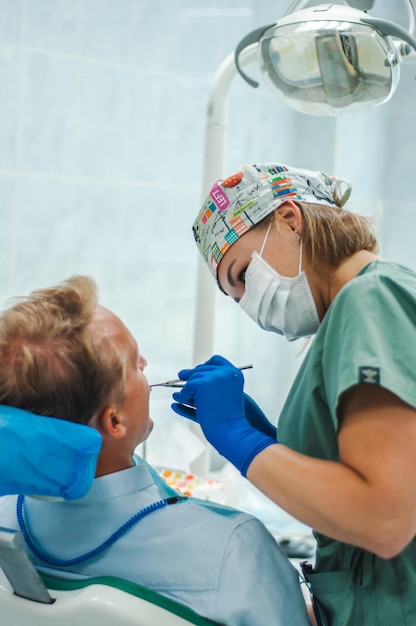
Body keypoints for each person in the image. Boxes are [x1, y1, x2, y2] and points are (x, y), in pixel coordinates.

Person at [171, 162, 416, 626]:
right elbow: (363, 473)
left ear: (289, 219)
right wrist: (270, 439)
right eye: (233, 295)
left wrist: (238, 437)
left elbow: (385, 519)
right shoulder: (354, 311)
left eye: (242, 274)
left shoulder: (372, 300)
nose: (248, 301)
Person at [0, 275, 311, 626]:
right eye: (134, 362)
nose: (146, 363)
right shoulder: (233, 548)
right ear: (114, 421)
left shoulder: (5, 520)